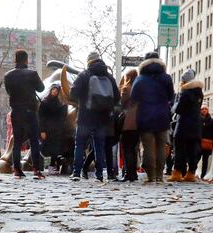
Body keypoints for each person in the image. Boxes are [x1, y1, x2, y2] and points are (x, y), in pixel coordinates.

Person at [70, 52, 120, 182]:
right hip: (103, 118)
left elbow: (73, 93)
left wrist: (81, 100)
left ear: (89, 62)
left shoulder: (84, 75)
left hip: (85, 117)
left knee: (80, 144)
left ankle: (76, 173)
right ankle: (99, 175)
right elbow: (117, 97)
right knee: (99, 146)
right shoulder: (109, 76)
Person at [131, 56, 174, 184]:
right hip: (162, 115)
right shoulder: (166, 78)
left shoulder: (140, 79)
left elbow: (134, 98)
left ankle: (151, 176)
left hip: (145, 116)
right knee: (161, 146)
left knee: (148, 147)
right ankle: (160, 176)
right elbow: (171, 95)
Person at [4, 49, 45, 179]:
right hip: (30, 111)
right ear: (26, 60)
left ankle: (17, 169)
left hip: (16, 111)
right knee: (34, 141)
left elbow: (9, 92)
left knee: (17, 141)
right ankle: (36, 169)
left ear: (15, 60)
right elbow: (41, 88)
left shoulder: (8, 75)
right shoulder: (32, 74)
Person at [170, 69, 203, 183]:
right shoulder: (199, 92)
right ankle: (191, 173)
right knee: (192, 149)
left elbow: (178, 109)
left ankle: (177, 172)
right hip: (196, 126)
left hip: (183, 125)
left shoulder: (185, 92)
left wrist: (174, 104)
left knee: (179, 149)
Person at [38, 83, 70, 175]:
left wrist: (65, 105)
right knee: (46, 148)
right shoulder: (44, 102)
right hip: (47, 129)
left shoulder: (59, 104)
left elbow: (62, 116)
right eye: (53, 90)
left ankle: (52, 165)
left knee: (55, 149)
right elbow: (41, 117)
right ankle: (45, 165)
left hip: (56, 130)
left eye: (56, 91)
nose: (55, 92)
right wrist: (42, 130)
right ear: (51, 90)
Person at [118, 69, 139, 182]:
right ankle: (133, 173)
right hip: (139, 121)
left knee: (127, 148)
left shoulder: (127, 88)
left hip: (128, 121)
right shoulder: (140, 89)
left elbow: (121, 103)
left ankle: (127, 174)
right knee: (133, 148)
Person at [199, 106, 213, 179]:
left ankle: (203, 175)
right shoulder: (198, 119)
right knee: (196, 157)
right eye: (202, 109)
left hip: (207, 143)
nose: (204, 110)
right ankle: (192, 172)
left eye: (205, 109)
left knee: (205, 159)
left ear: (208, 110)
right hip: (198, 142)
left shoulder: (211, 120)